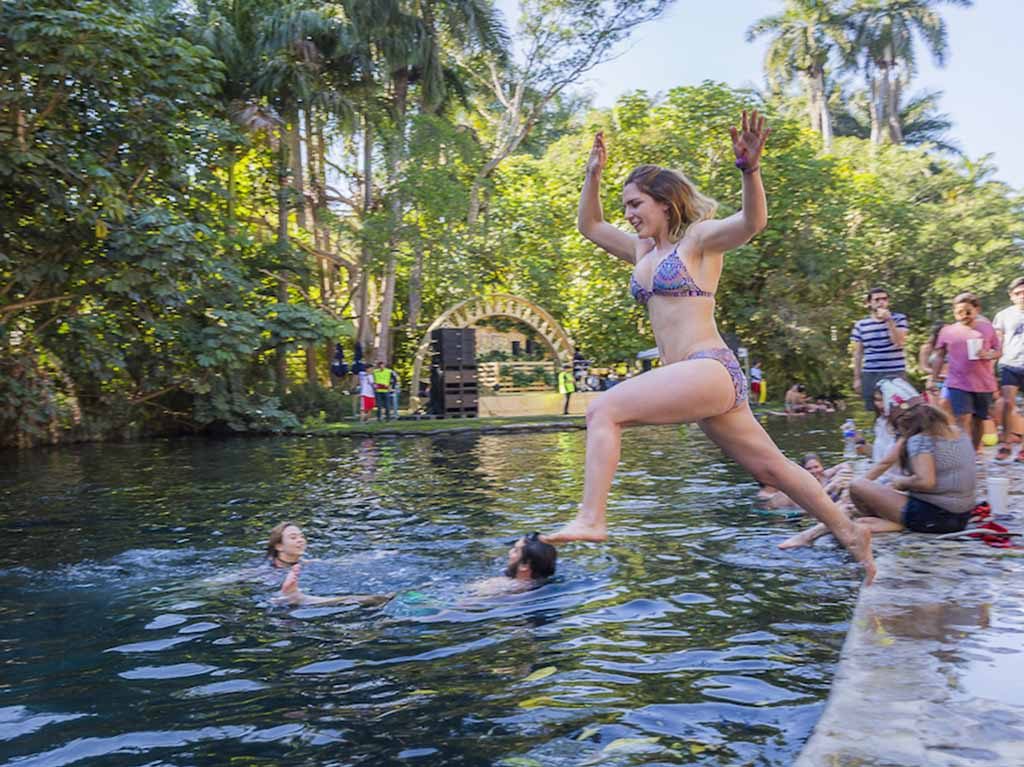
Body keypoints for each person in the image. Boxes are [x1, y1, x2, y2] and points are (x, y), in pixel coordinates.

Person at [544, 112, 874, 584]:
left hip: (709, 367)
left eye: (636, 204)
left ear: (664, 202)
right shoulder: (641, 251)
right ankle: (849, 531)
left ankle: (592, 519)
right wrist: (592, 174)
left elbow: (751, 223)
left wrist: (750, 170)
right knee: (774, 468)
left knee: (604, 410)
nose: (630, 215)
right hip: (696, 381)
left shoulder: (697, 241)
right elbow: (590, 225)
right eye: (627, 207)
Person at [846, 403, 976, 535]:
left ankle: (893, 522)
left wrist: (901, 483)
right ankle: (895, 522)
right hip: (962, 517)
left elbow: (926, 482)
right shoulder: (959, 433)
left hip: (936, 518)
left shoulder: (919, 439)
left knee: (857, 486)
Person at [931, 292, 1000, 451]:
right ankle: (964, 453)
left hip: (983, 383)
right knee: (962, 417)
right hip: (958, 382)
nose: (963, 315)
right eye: (959, 312)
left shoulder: (986, 328)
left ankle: (974, 452)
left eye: (968, 311)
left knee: (979, 419)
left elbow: (998, 350)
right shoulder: (947, 331)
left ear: (977, 310)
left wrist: (989, 354)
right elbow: (939, 355)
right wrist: (933, 379)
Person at [265, 522, 394, 607]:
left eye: (301, 537)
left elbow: (342, 562)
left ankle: (294, 597)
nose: (300, 540)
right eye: (293, 538)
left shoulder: (308, 564)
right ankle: (291, 597)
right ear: (279, 546)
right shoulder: (266, 572)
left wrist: (376, 555)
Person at [851, 287, 909, 412]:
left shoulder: (899, 318)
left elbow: (899, 342)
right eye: (877, 299)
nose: (881, 302)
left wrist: (889, 320)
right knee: (875, 410)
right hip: (871, 373)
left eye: (884, 299)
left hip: (895, 372)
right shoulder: (861, 325)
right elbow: (858, 354)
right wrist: (857, 378)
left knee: (901, 408)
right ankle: (881, 431)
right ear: (869, 303)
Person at [993, 276, 1024, 461]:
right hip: (1009, 363)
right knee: (1007, 404)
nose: (1022, 296)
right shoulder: (1004, 315)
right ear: (1011, 296)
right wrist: (989, 367)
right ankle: (1005, 442)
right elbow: (997, 342)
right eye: (1018, 293)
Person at [471, 533, 558, 597]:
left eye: (515, 551)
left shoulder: (499, 587)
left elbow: (465, 604)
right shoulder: (545, 585)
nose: (510, 552)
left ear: (524, 566)